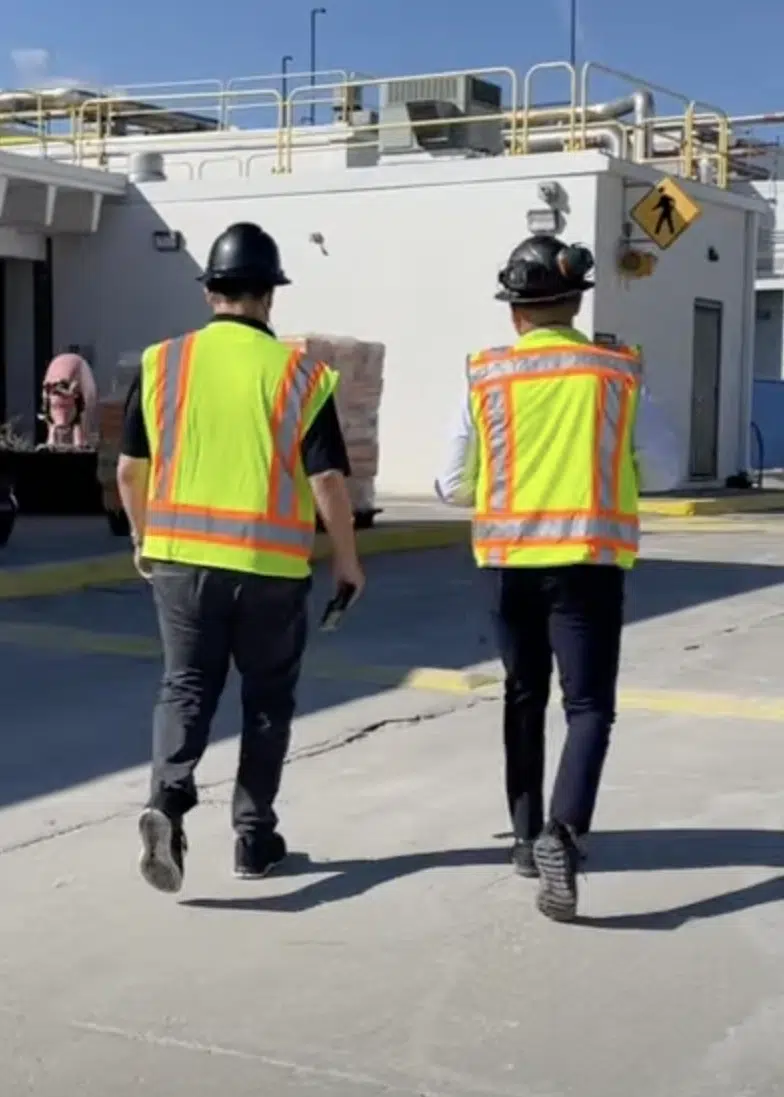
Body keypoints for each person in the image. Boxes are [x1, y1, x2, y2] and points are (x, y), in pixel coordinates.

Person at [435, 234, 680, 922]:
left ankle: (521, 838)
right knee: (589, 706)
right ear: (574, 303)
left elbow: (452, 483)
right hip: (588, 565)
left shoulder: (484, 375)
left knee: (522, 695)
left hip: (509, 567)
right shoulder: (616, 372)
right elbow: (662, 470)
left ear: (514, 312)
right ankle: (564, 833)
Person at [117, 221, 365, 895]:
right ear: (269, 297)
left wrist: (144, 539)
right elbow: (328, 483)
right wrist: (347, 560)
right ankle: (253, 841)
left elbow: (129, 471)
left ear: (210, 294)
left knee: (186, 686)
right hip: (270, 569)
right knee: (266, 702)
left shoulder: (161, 362)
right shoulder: (299, 374)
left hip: (178, 562)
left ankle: (167, 803)